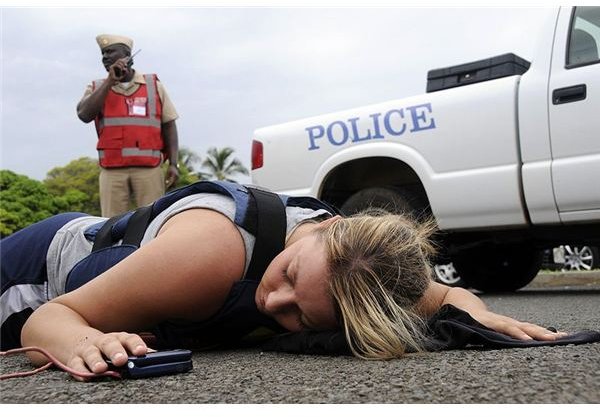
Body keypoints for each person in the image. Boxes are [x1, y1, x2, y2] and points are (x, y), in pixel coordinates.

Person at [0, 181, 566, 381]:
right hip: (33, 271)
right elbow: (51, 319)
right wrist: (82, 342)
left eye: (300, 315)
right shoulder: (208, 255)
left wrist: (478, 312)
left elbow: (441, 294)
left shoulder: (366, 269)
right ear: (331, 226)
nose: (274, 300)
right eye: (290, 276)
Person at [77, 34, 180, 217]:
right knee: (110, 226)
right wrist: (110, 82)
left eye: (110, 52)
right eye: (103, 54)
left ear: (127, 55)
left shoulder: (153, 85)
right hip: (112, 171)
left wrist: (173, 164)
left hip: (149, 169)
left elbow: (169, 125)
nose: (105, 57)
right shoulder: (97, 87)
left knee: (152, 222)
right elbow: (84, 115)